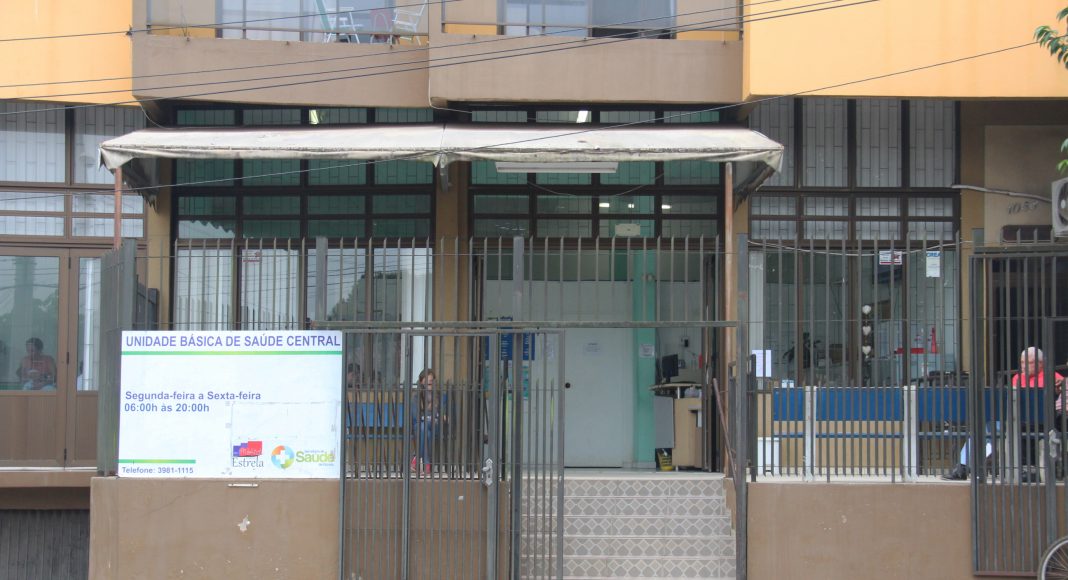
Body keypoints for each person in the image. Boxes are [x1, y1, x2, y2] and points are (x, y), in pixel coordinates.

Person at [943, 347, 1063, 480]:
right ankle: (964, 466)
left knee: (992, 428)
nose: (1023, 366)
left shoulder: (1055, 378)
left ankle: (965, 467)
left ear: (1041, 363)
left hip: (1041, 423)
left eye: (1028, 362)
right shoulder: (1017, 378)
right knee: (985, 427)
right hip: (1016, 420)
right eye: (1022, 362)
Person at [410, 368, 444, 475]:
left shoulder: (438, 396)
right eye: (427, 383)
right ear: (421, 383)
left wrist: (427, 415)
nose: (429, 386)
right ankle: (427, 464)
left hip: (435, 426)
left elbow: (441, 415)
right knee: (425, 431)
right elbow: (416, 417)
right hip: (419, 426)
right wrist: (428, 412)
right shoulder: (416, 397)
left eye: (431, 382)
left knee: (424, 428)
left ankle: (416, 458)